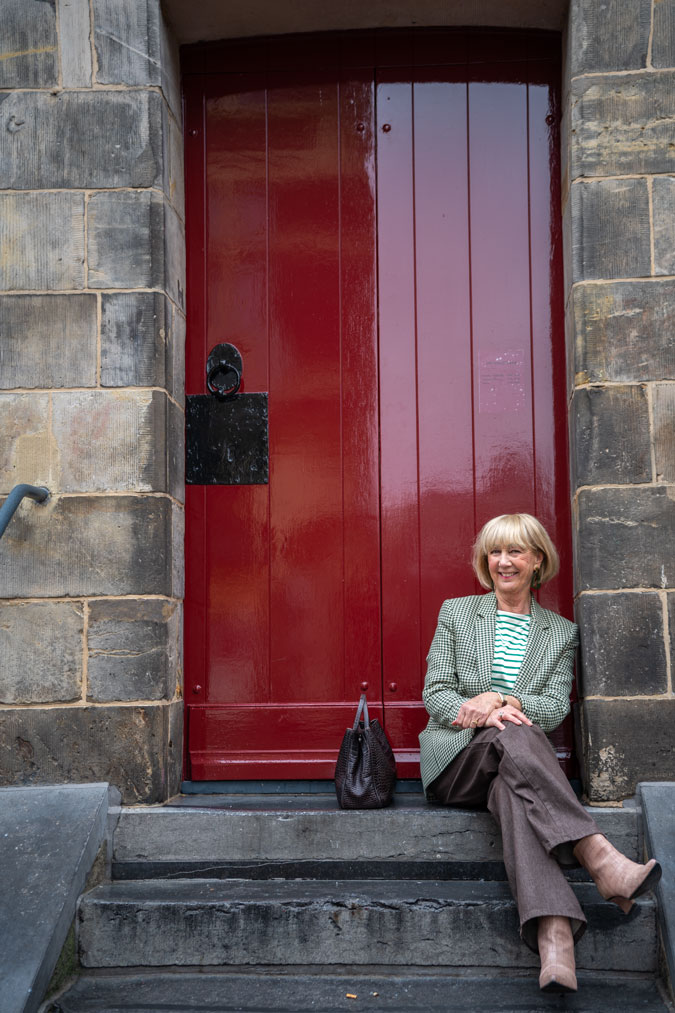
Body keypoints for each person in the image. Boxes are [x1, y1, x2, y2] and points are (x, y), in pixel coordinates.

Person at [419, 513, 661, 993]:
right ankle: (597, 854)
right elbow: (437, 692)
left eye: (515, 552)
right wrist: (486, 711)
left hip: (518, 773)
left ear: (537, 561)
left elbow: (551, 709)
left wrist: (505, 700)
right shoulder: (457, 612)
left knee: (516, 784)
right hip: (459, 761)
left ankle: (556, 939)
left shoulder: (560, 632)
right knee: (516, 733)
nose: (504, 562)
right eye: (495, 552)